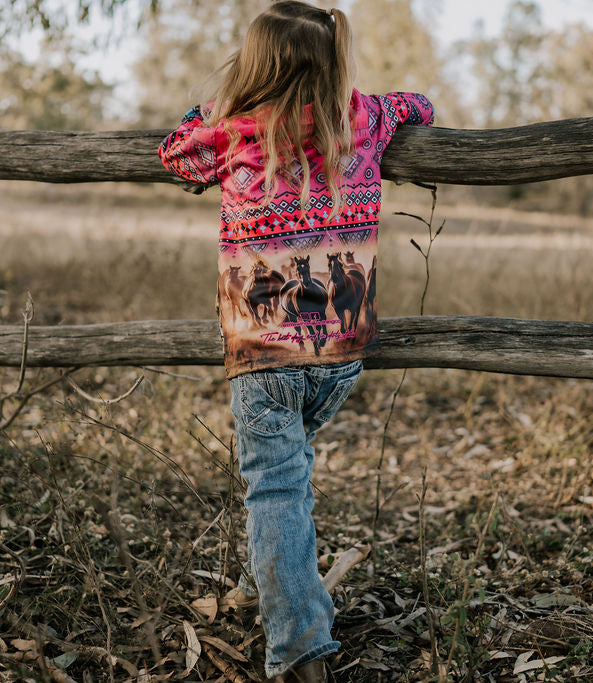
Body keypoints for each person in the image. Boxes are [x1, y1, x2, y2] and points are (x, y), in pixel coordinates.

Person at [158, 2, 434, 680]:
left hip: (263, 355)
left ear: (256, 66)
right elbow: (419, 104)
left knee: (277, 489)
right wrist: (392, 102)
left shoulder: (231, 133)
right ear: (334, 64)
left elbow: (174, 151)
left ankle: (301, 645)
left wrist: (212, 105)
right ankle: (281, 581)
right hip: (342, 354)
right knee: (288, 477)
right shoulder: (363, 118)